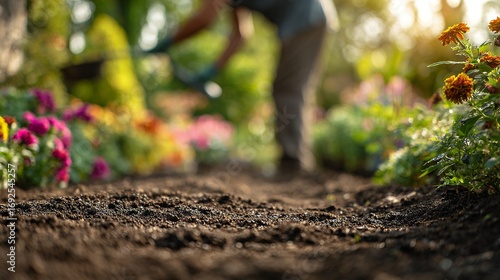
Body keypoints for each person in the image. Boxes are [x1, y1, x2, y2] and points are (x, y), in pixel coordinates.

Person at [148, 0, 339, 177]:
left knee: (288, 89)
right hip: (311, 14)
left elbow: (205, 18)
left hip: (305, 15)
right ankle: (294, 161)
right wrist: (213, 69)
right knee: (289, 88)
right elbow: (241, 34)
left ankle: (293, 163)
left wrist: (169, 42)